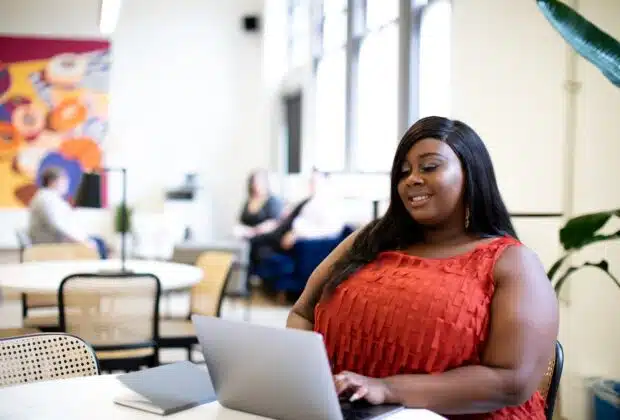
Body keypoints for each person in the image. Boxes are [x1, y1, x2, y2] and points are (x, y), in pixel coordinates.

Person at [286, 116, 559, 419]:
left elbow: (512, 382)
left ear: (471, 173)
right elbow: (302, 313)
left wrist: (388, 389)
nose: (412, 179)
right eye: (404, 172)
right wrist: (308, 381)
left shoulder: (512, 262)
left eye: (429, 167)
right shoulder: (368, 240)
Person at [248, 169, 345, 266]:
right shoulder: (310, 201)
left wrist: (297, 234)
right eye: (310, 181)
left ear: (325, 182)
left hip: (294, 242)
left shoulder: (329, 204)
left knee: (254, 245)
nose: (311, 184)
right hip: (282, 232)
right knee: (253, 243)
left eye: (314, 181)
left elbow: (328, 230)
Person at [28, 167, 108, 258]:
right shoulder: (46, 199)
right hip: (51, 245)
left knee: (97, 241)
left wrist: (83, 237)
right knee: (98, 244)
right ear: (53, 181)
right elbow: (58, 226)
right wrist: (83, 241)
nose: (67, 185)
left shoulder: (49, 197)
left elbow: (66, 223)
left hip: (57, 240)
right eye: (64, 181)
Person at [233, 169, 284, 240]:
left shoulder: (273, 201)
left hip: (266, 239)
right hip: (246, 238)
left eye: (259, 181)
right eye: (254, 182)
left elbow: (274, 223)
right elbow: (241, 221)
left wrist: (254, 231)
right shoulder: (249, 201)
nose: (256, 184)